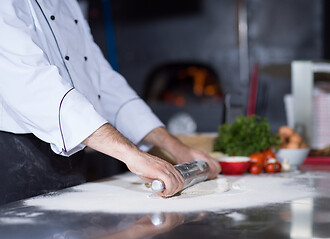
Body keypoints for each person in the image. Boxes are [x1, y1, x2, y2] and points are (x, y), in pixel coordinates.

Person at [0, 0, 221, 204]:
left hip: (72, 160)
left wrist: (175, 148)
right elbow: (35, 87)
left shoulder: (68, 3)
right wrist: (132, 155)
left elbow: (103, 82)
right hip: (16, 163)